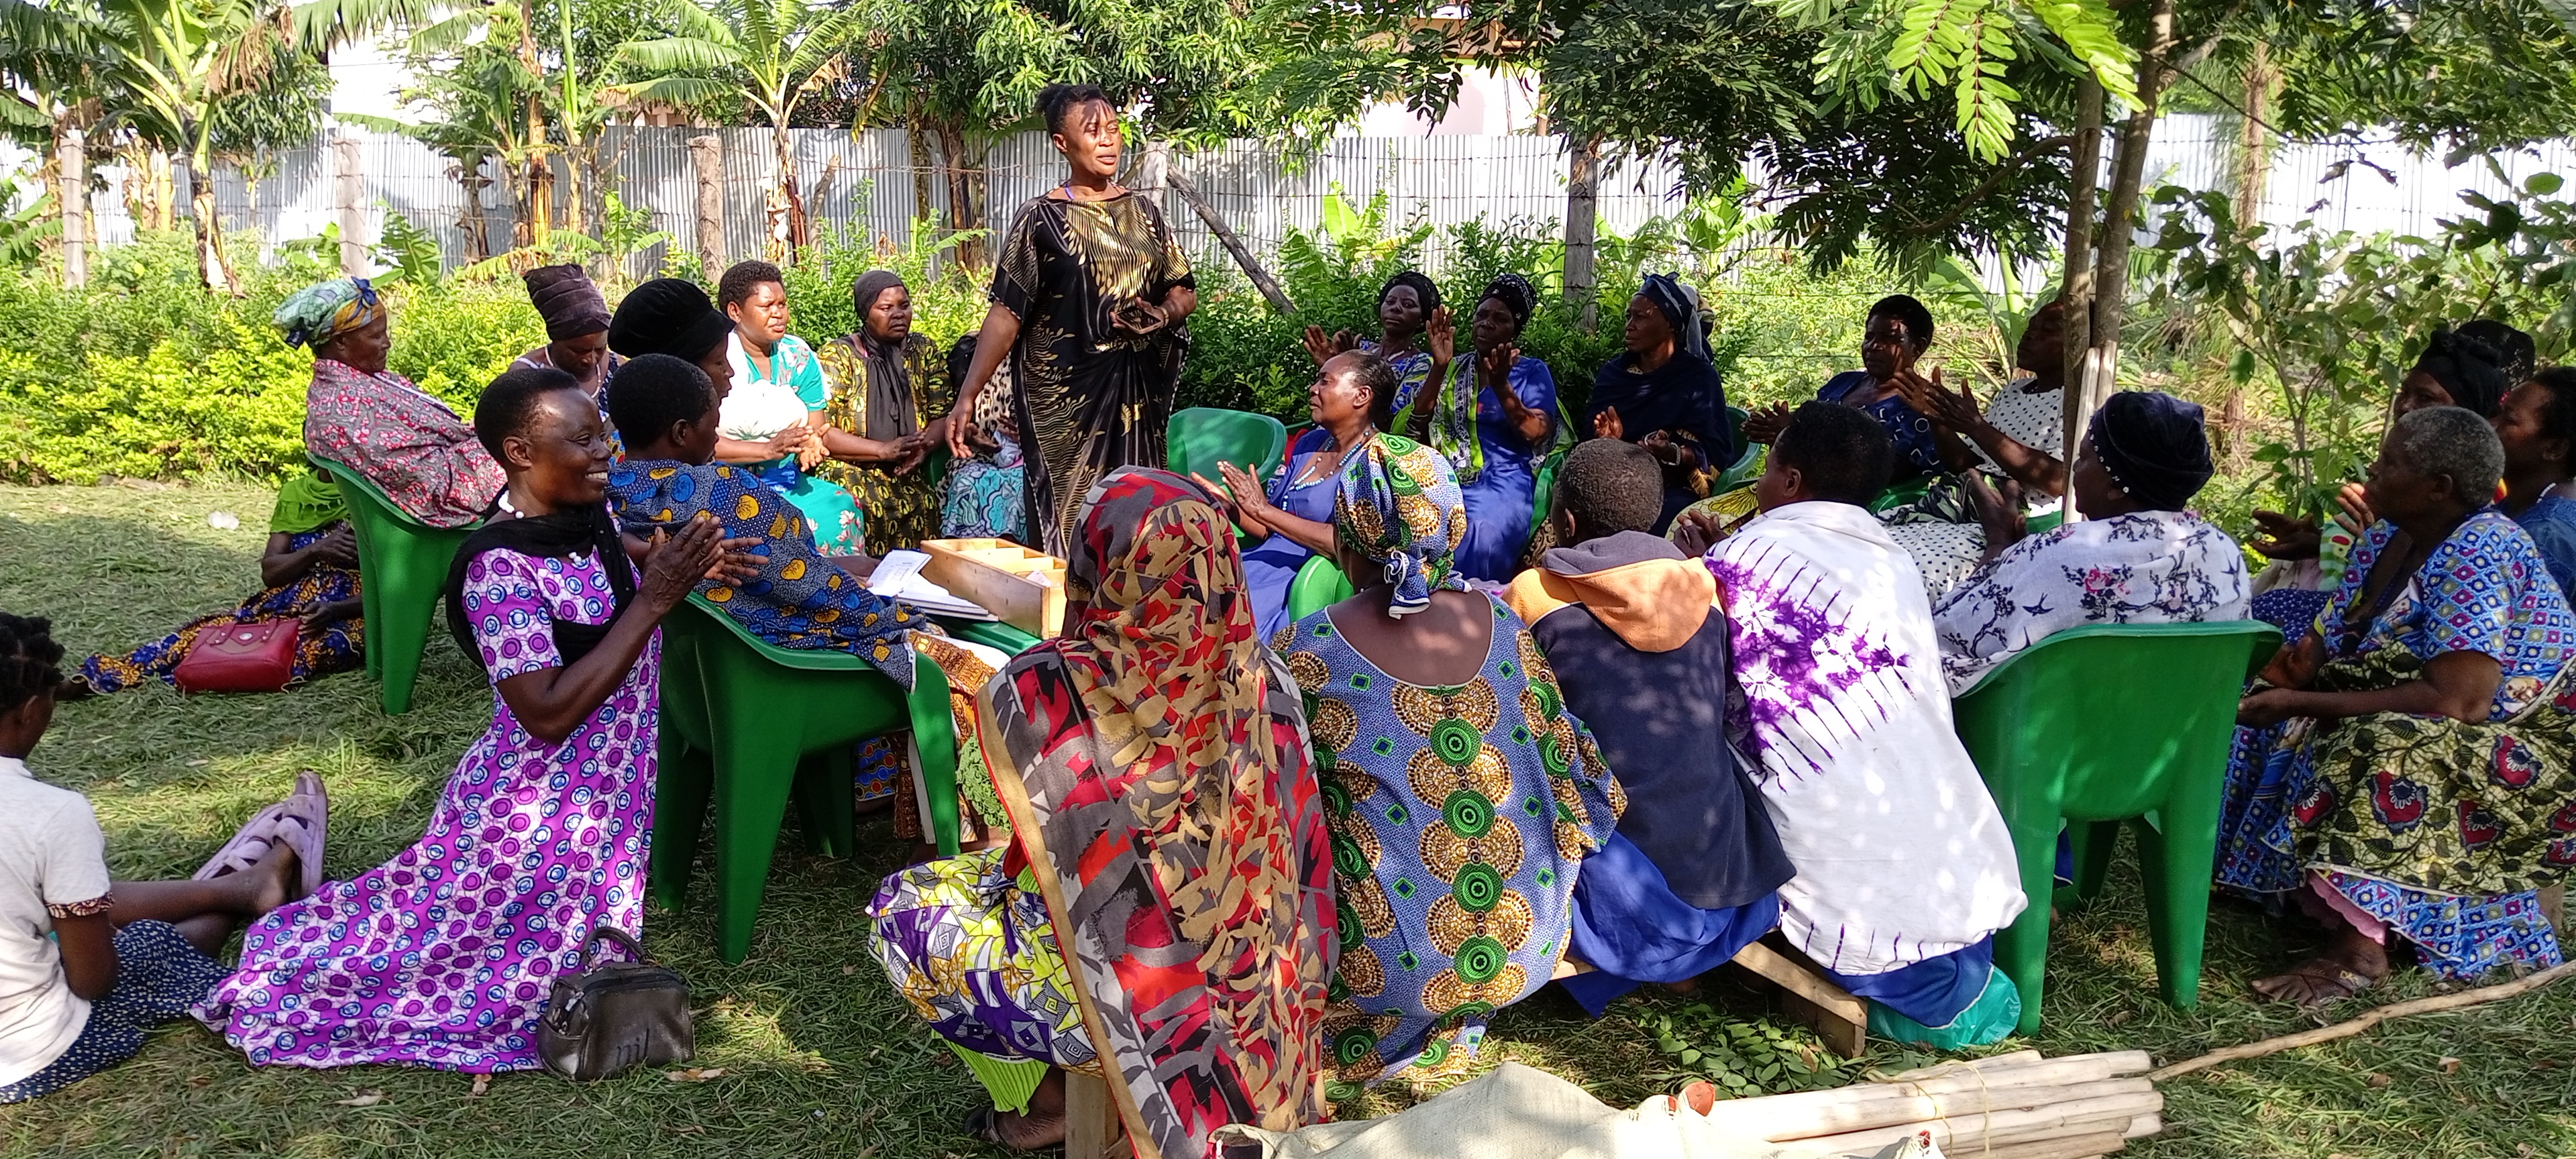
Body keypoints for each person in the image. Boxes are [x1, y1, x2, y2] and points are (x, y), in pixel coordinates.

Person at [198, 368, 729, 1070]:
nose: (605, 450)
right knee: (465, 974)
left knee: (549, 956)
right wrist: (654, 601)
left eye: (602, 434)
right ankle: (269, 927)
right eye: (583, 440)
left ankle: (264, 886)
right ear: (520, 453)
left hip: (599, 795)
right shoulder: (499, 569)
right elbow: (545, 714)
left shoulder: (585, 519)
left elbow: (622, 565)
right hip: (536, 812)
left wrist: (672, 563)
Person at [867, 468, 1334, 1154]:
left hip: (1133, 1002)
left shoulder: (1042, 688)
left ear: (1098, 561)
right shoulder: (1271, 678)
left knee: (902, 912)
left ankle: (1044, 1103)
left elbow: (1031, 863)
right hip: (1267, 997)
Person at [1272, 435, 1621, 1087]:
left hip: (1392, 971)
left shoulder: (1306, 648)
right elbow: (1575, 770)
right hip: (1528, 946)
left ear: (1348, 531)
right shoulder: (1503, 624)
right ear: (1452, 523)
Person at [1674, 402, 2026, 1045]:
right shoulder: (1893, 562)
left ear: (1789, 481)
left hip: (1831, 856)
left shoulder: (1743, 556)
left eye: (1769, 465)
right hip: (1940, 840)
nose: (1762, 479)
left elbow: (1713, 689)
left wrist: (1703, 573)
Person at [2220, 406, 2576, 1001]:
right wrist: (2272, 676)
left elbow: (2460, 701)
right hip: (2465, 722)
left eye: (2390, 464)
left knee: (2386, 742)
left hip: (2535, 753)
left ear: (2439, 487)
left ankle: (2360, 951)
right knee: (2260, 718)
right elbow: (2326, 645)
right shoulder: (2388, 536)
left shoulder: (2480, 550)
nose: (2373, 473)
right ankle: (2278, 887)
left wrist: (2303, 700)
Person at [1503, 440, 1790, 1015]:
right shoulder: (1703, 587)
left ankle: (1637, 952)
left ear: (1566, 523)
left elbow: (1514, 720)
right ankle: (1685, 961)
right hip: (1719, 865)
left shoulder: (1535, 594)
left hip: (1626, 877)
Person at [0, 614, 320, 1102]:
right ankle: (243, 892)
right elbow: (93, 982)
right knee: (146, 945)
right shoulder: (52, 813)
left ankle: (243, 886)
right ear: (27, 712)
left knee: (71, 900)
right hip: (30, 1052)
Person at [945, 83, 1198, 557]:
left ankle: (1134, 604)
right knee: (1071, 522)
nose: (1108, 140)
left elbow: (1183, 289)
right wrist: (968, 396)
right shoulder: (1040, 219)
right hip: (1064, 405)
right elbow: (1006, 313)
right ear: (1062, 143)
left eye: (1114, 129)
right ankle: (1069, 605)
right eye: (1093, 130)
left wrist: (1161, 314)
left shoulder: (1145, 212)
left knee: (1138, 514)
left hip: (1134, 396)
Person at [1932, 391, 2251, 694]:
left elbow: (1943, 635)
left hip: (2045, 729)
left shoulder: (2061, 555)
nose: (2074, 468)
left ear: (2116, 485)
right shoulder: (2224, 553)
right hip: (2173, 728)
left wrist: (1999, 544)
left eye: (2084, 458)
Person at [2247, 322, 2536, 633]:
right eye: (2405, 392)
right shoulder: (2399, 497)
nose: (2406, 406)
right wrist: (2320, 544)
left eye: (2425, 398)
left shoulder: (2480, 525)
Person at [73, 468, 365, 694]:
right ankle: (94, 679)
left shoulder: (370, 496)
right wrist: (316, 550)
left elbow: (391, 586)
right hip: (283, 604)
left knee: (304, 650)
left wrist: (335, 609)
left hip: (348, 612)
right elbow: (271, 573)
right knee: (199, 636)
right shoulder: (297, 494)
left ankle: (194, 675)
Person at [1878, 298, 2075, 598]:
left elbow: (2058, 480)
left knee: (1899, 570)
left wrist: (1976, 426)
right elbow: (1965, 464)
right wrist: (1938, 419)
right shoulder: (2013, 393)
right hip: (1961, 501)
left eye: (2048, 330)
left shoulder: (2075, 401)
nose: (2030, 335)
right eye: (2032, 325)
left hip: (2005, 520)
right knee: (1864, 539)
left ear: (2077, 344)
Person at [1199, 350, 1397, 639]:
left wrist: (1262, 509)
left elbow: (1346, 545)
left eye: (1325, 381)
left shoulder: (1378, 460)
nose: (1313, 389)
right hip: (1262, 562)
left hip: (1304, 579)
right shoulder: (1311, 443)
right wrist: (1231, 508)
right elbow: (1270, 529)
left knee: (1219, 626)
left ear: (1361, 396)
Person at [289, 276, 504, 528]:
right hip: (448, 496)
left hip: (457, 468)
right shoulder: (342, 409)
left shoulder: (364, 380)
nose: (387, 343)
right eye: (376, 336)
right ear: (340, 342)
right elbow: (429, 482)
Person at [712, 260, 869, 553]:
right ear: (735, 312)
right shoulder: (717, 359)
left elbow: (815, 425)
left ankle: (838, 580)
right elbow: (703, 442)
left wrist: (811, 443)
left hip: (787, 480)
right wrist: (767, 449)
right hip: (729, 486)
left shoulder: (798, 356)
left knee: (841, 506)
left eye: (782, 304)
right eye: (767, 306)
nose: (778, 313)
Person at [1428, 274, 1569, 582]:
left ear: (1515, 329)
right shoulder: (1454, 367)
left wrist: (1502, 386)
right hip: (1444, 474)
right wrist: (1439, 366)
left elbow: (1536, 433)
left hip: (1505, 481)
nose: (1487, 323)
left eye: (1500, 318)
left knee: (1481, 530)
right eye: (1481, 315)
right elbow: (1419, 419)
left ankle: (1477, 604)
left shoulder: (1531, 371)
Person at [1741, 294, 1949, 486]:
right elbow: (1809, 427)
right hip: (1794, 486)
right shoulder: (1842, 383)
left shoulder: (1921, 407)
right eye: (1869, 337)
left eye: (1888, 338)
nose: (1874, 346)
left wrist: (1794, 436)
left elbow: (1880, 474)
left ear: (1917, 347)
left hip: (1846, 505)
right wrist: (1775, 431)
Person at [816, 270, 951, 552]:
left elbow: (942, 415)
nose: (898, 315)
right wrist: (882, 450)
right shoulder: (839, 357)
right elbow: (823, 432)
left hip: (907, 466)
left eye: (904, 306)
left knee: (925, 503)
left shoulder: (923, 351)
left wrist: (922, 447)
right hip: (851, 467)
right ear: (866, 313)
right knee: (866, 504)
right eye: (886, 308)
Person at [1587, 274, 1732, 532]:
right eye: (1629, 317)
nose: (1629, 326)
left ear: (1670, 325)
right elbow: (1588, 438)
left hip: (1673, 485)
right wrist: (1610, 442)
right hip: (1615, 478)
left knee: (1662, 519)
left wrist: (1670, 452)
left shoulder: (1697, 378)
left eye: (1640, 317)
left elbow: (1714, 453)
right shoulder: (1614, 375)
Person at [1304, 270, 1454, 437]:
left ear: (1421, 320)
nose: (1396, 308)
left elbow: (1397, 424)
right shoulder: (1361, 348)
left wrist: (1355, 372)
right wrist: (1331, 368)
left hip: (1368, 442)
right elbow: (1326, 401)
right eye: (1390, 302)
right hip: (1326, 435)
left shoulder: (1421, 364)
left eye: (1408, 305)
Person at [2492, 368, 2576, 600]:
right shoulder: (2518, 508)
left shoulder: (2545, 538)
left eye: (2509, 420)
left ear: (2554, 448)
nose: (2492, 426)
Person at [937, 335, 1028, 542]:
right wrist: (969, 436)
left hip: (1036, 460)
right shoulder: (972, 350)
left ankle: (1011, 554)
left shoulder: (1051, 354)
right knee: (967, 481)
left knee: (1019, 487)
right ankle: (960, 555)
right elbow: (956, 420)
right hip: (981, 458)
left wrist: (1028, 438)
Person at [511, 263, 624, 403]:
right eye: (579, 351)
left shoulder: (618, 368)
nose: (591, 359)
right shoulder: (527, 376)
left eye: (600, 349)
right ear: (555, 338)